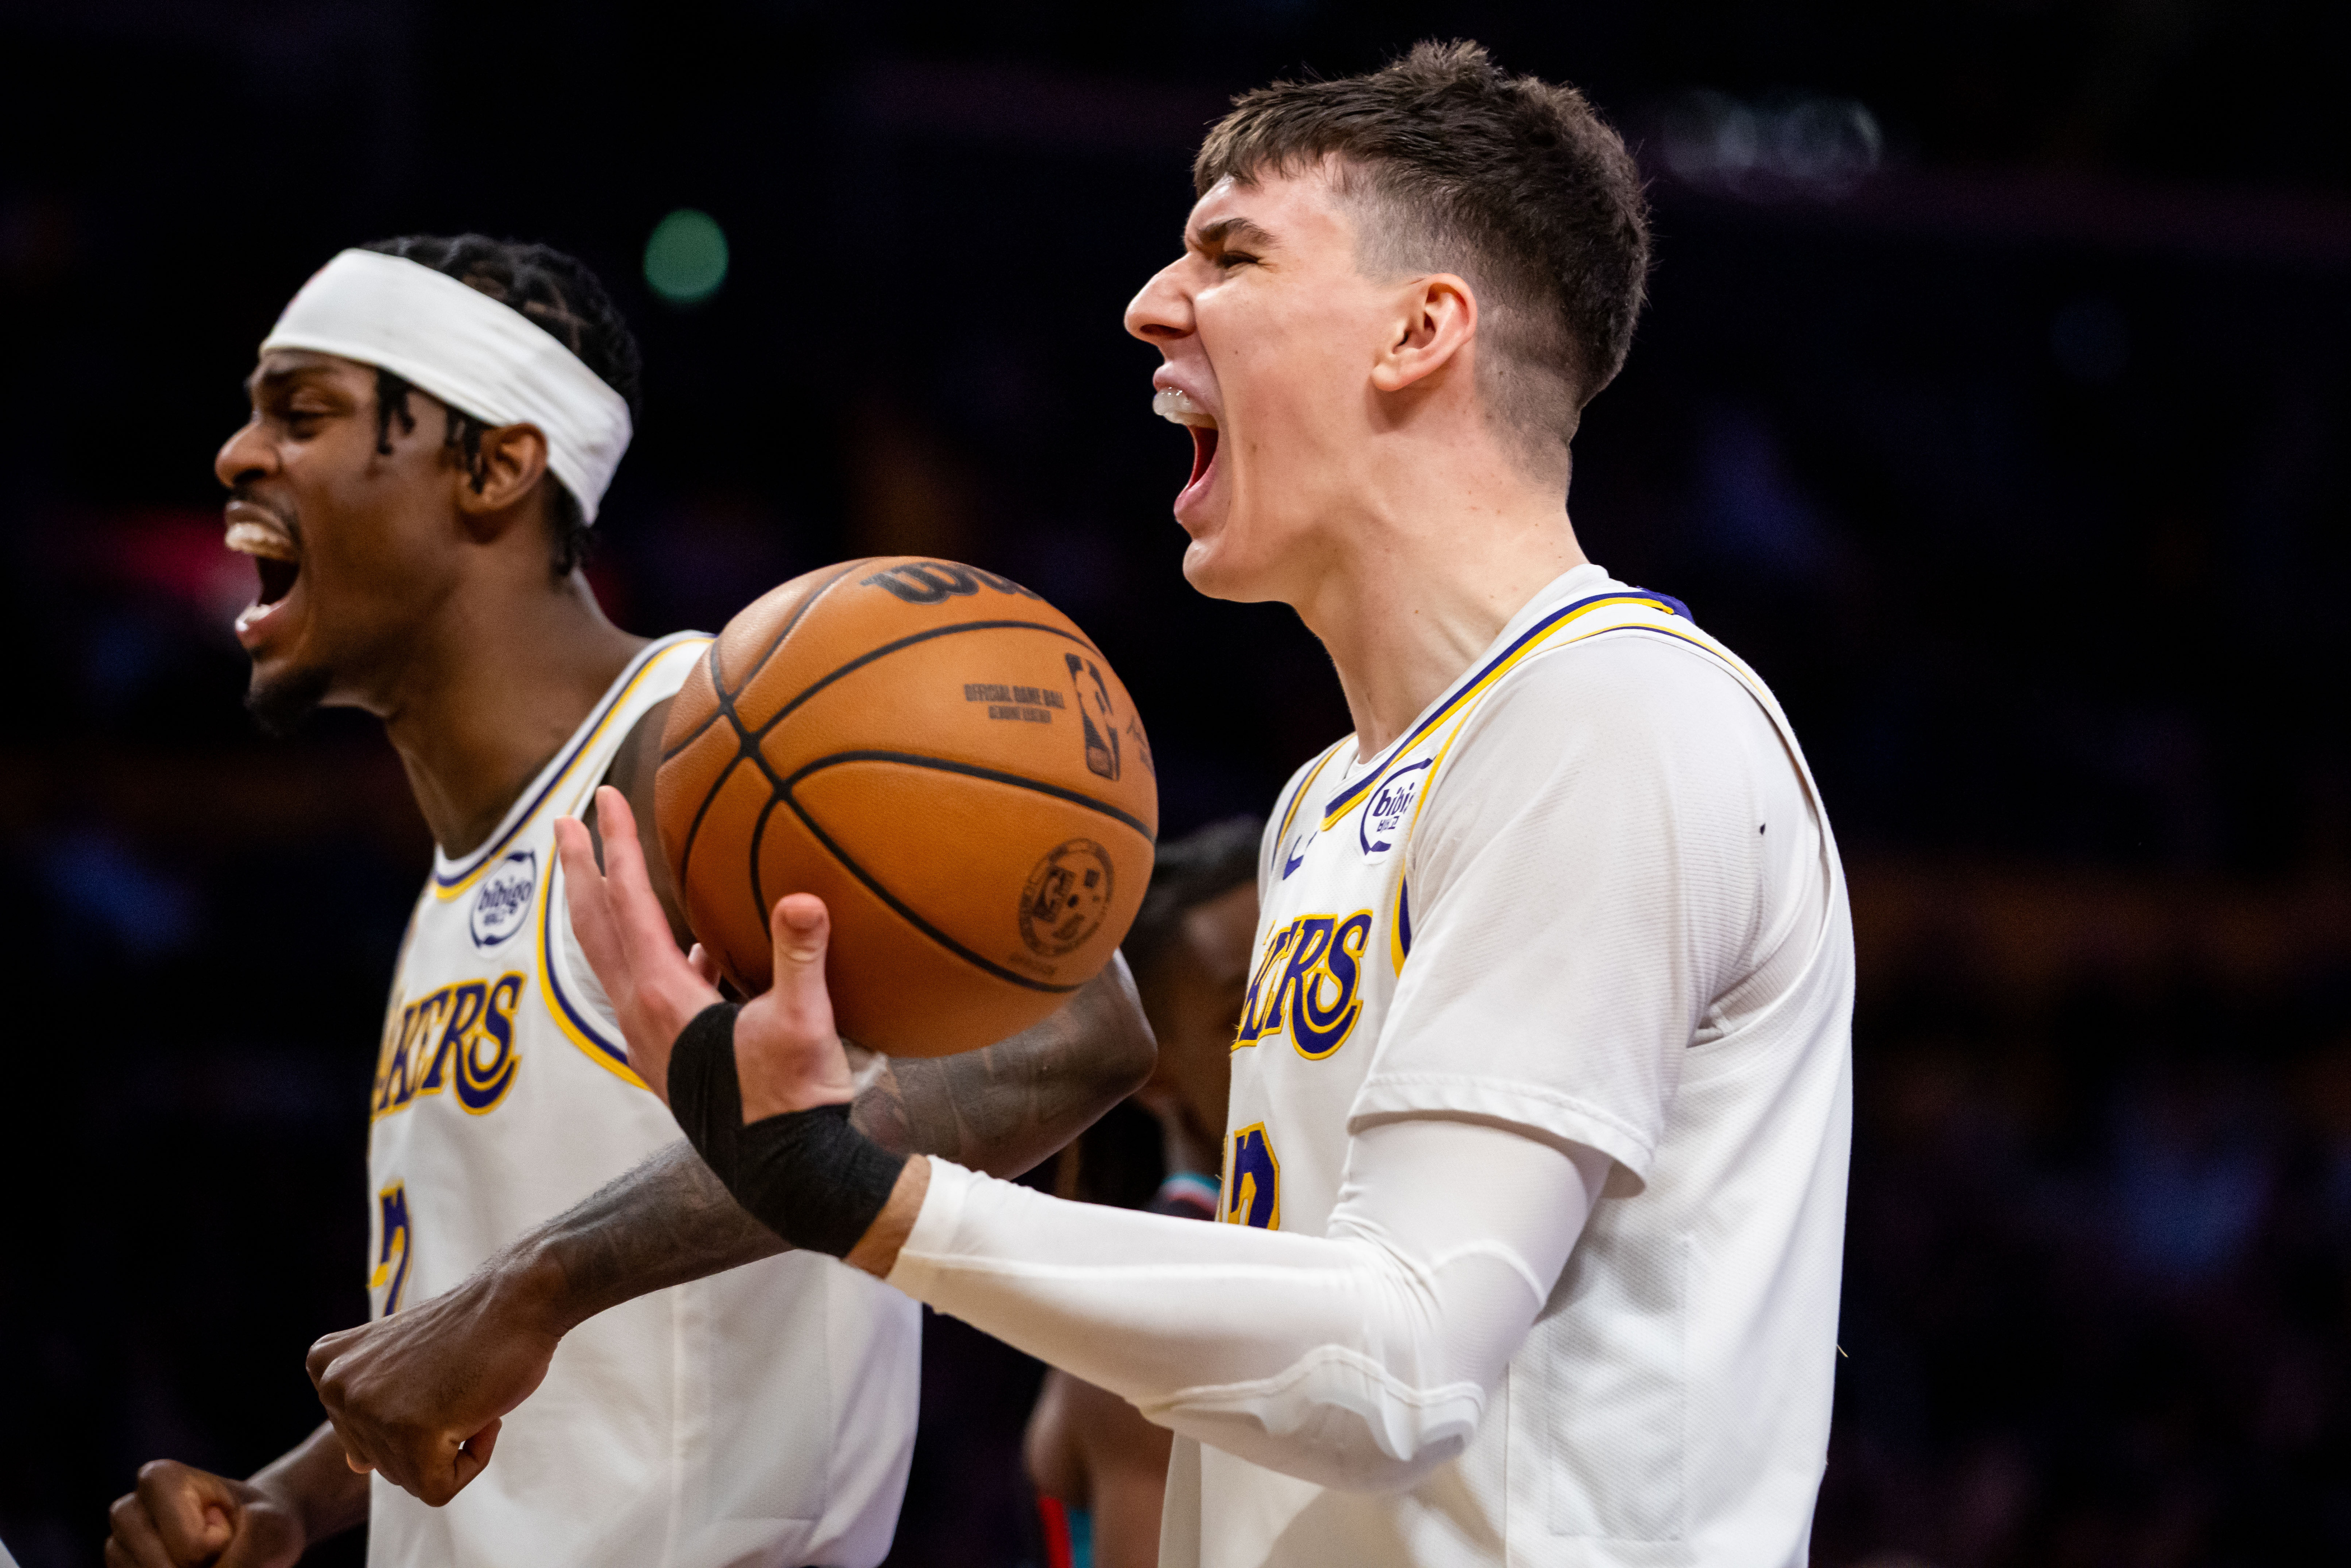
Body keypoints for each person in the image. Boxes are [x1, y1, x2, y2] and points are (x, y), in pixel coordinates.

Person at [567, 39, 1854, 1568]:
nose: (1150, 305)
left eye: (1231, 253)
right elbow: (1301, 1395)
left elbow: (1401, 1360)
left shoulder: (1614, 718)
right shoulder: (1332, 796)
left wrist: (862, 1188)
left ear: (1420, 330)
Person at [102, 236, 1152, 1568]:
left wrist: (539, 1285)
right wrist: (296, 1500)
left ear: (495, 468)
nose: (238, 458)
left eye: (301, 415)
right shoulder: (466, 862)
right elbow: (502, 1362)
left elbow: (1074, 1028)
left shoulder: (715, 746)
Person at [1024, 817, 1263, 1568]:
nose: (1291, 1032)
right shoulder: (1155, 1310)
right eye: (1242, 1014)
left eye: (1304, 991)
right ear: (1152, 1068)